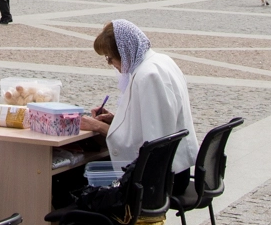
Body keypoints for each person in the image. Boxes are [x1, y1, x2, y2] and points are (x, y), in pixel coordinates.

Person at [80, 21, 198, 183]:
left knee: (77, 178)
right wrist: (117, 121)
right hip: (175, 168)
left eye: (110, 58)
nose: (110, 64)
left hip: (162, 179)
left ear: (125, 53)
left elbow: (152, 141)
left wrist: (98, 127)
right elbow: (150, 121)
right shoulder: (161, 61)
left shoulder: (148, 76)